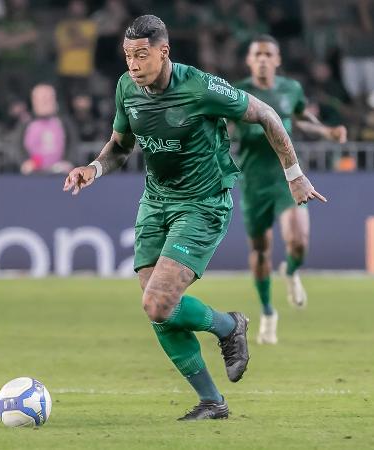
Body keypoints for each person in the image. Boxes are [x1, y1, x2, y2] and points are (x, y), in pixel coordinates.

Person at [63, 16, 326, 421]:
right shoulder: (125, 88)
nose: (132, 64)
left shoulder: (200, 86)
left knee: (156, 303)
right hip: (155, 201)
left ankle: (227, 325)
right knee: (158, 308)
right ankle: (212, 401)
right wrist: (93, 169)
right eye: (127, 56)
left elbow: (268, 115)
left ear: (163, 51)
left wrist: (294, 174)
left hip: (203, 203)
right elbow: (120, 145)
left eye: (141, 55)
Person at [233, 35, 346, 345]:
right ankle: (268, 312)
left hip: (287, 179)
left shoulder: (290, 89)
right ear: (249, 60)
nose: (263, 59)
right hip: (254, 182)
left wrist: (325, 130)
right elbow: (225, 126)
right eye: (258, 55)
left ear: (278, 59)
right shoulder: (238, 92)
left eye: (269, 54)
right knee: (260, 250)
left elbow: (300, 119)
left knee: (298, 241)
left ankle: (292, 271)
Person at [18, 83, 78, 175]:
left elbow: (73, 143)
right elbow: (17, 145)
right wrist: (24, 162)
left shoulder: (64, 122)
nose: (45, 102)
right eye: (41, 98)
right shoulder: (26, 123)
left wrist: (68, 161)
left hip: (61, 174)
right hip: (32, 175)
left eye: (48, 98)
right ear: (34, 100)